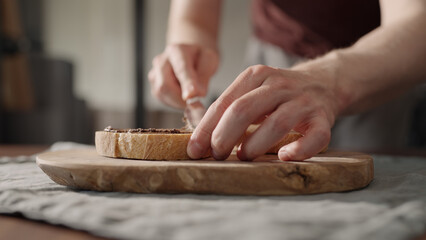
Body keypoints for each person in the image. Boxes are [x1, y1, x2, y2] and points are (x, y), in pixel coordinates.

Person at [148, 0, 426, 161]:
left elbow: (417, 22)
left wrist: (326, 82)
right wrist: (188, 46)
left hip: (377, 63)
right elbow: (195, 18)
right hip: (268, 64)